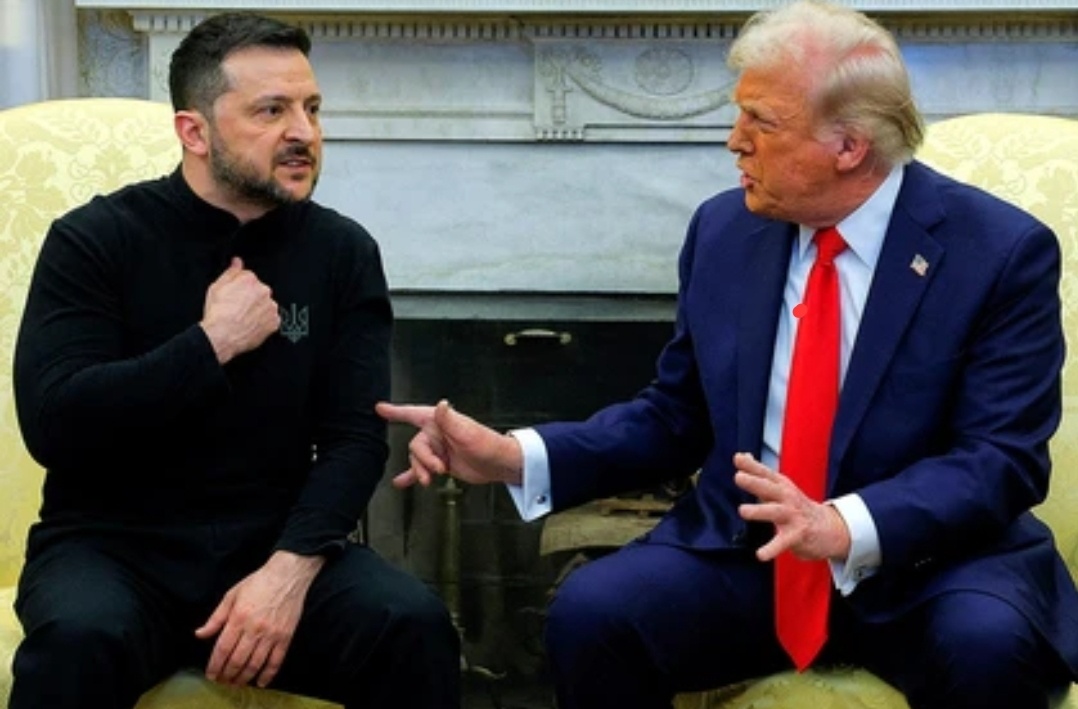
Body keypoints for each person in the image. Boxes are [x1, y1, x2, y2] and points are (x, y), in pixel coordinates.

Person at [377, 2, 1078, 707]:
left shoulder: (997, 252)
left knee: (989, 646)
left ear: (848, 146)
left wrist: (842, 524)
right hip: (755, 556)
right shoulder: (725, 230)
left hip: (929, 564)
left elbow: (999, 459)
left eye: (760, 122)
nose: (734, 142)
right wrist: (514, 456)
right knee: (595, 614)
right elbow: (674, 417)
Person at [10, 12, 460, 709]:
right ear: (194, 132)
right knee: (77, 639)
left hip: (273, 544)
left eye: (312, 109)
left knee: (412, 625)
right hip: (111, 550)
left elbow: (353, 439)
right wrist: (209, 344)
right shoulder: (94, 239)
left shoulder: (343, 252)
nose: (303, 132)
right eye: (271, 111)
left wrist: (288, 571)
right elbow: (55, 422)